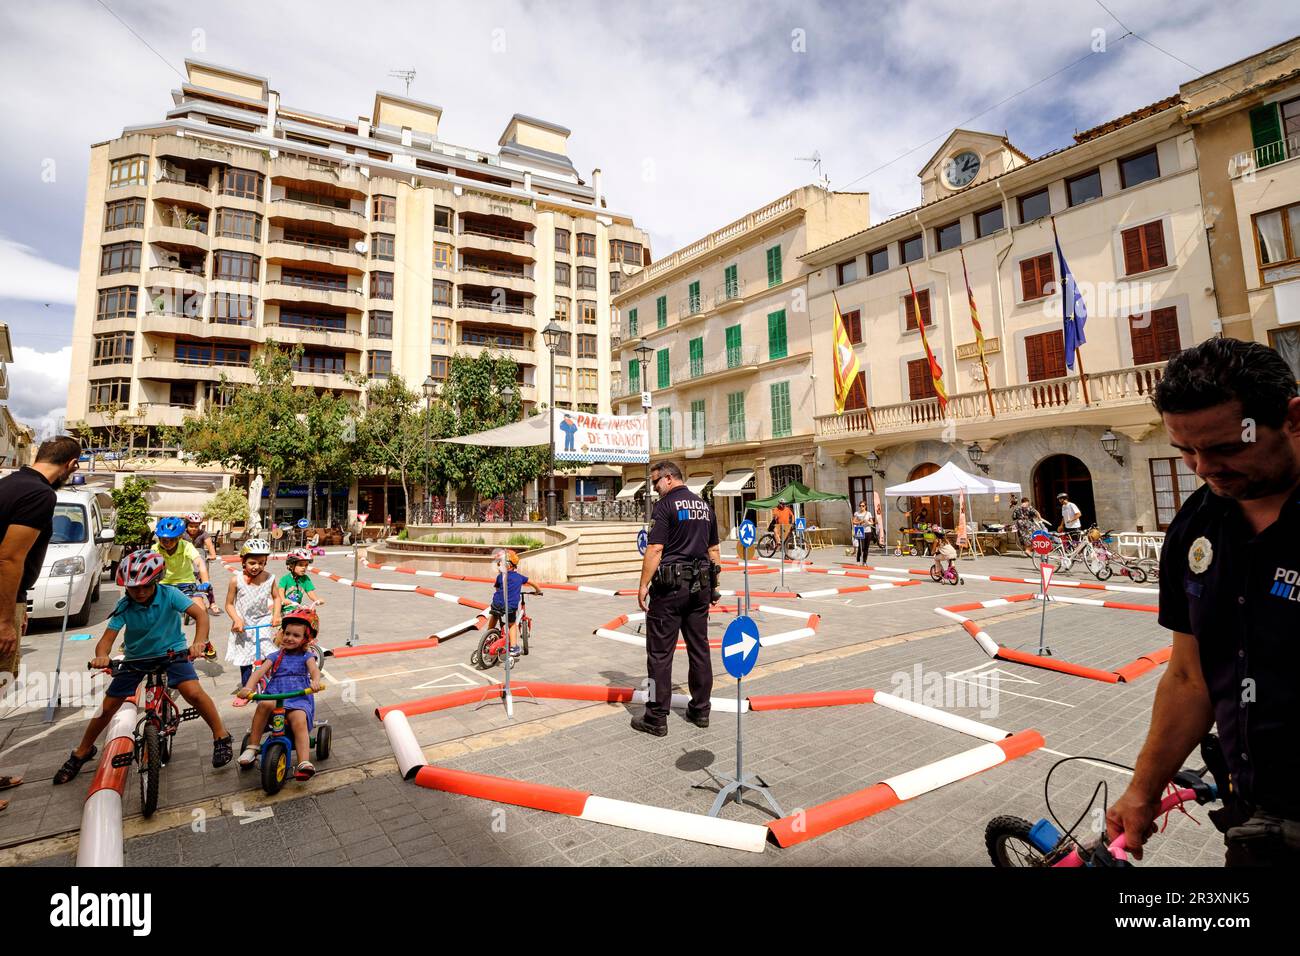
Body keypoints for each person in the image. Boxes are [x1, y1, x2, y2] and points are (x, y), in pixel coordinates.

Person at [1107, 338, 1300, 866]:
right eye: (1186, 451)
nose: (1203, 468)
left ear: (1293, 420)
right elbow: (1190, 675)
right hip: (1257, 825)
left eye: (1227, 448)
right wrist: (1144, 789)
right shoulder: (1196, 525)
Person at [52, 550, 233, 784]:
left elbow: (200, 615)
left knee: (193, 692)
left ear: (157, 580)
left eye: (145, 587)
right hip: (136, 658)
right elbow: (106, 641)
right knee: (107, 708)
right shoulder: (124, 605)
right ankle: (82, 751)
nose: (139, 593)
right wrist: (101, 656)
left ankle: (220, 735)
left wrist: (199, 641)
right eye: (132, 587)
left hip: (173, 652)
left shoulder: (170, 595)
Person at [0, 436, 81, 808]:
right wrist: (5, 620)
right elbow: (9, 559)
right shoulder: (40, 495)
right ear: (72, 465)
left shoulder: (9, 485)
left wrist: (21, 605)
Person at [633, 460, 720, 737]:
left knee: (659, 655)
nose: (655, 488)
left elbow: (656, 548)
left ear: (669, 478)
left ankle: (656, 716)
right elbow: (714, 550)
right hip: (700, 589)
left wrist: (643, 584)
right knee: (700, 649)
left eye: (656, 481)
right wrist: (715, 586)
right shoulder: (705, 506)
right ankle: (701, 710)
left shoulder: (665, 505)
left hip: (669, 590)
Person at [236, 607, 323, 780]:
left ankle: (304, 762)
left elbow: (314, 671)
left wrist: (315, 681)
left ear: (306, 638)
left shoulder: (307, 656)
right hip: (275, 695)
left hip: (298, 698)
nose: (290, 638)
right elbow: (259, 672)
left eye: (296, 635)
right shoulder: (275, 655)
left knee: (299, 718)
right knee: (263, 705)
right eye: (287, 633)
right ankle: (253, 746)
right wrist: (248, 687)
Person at [225, 539, 282, 689]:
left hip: (263, 619)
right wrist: (236, 619)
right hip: (243, 622)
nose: (257, 567)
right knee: (245, 656)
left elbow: (277, 598)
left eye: (261, 562)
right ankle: (247, 688)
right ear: (243, 561)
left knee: (266, 651)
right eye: (252, 563)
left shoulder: (270, 578)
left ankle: (268, 681)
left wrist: (276, 615)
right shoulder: (235, 580)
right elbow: (229, 604)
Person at [488, 549, 541, 656]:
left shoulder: (500, 577)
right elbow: (533, 583)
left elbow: (497, 589)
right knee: (512, 624)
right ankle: (513, 647)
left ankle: (488, 635)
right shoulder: (519, 577)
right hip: (510, 606)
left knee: (494, 614)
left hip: (496, 602)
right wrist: (538, 591)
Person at [279, 548, 325, 616]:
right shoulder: (285, 579)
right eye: (300, 565)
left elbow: (310, 592)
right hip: (285, 610)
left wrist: (317, 600)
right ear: (291, 566)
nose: (304, 567)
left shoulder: (305, 579)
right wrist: (283, 600)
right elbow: (280, 592)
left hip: (297, 609)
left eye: (306, 565)